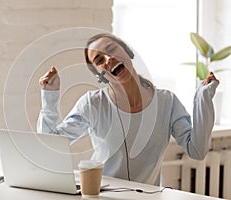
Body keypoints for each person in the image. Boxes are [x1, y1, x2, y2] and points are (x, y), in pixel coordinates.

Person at [37, 33, 219, 186]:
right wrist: (49, 96)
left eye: (111, 49)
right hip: (104, 196)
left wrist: (203, 97)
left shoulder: (166, 101)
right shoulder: (93, 104)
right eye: (99, 60)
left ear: (128, 52)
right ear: (99, 75)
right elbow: (50, 146)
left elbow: (196, 150)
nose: (108, 59)